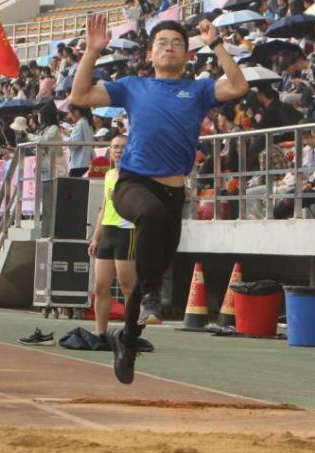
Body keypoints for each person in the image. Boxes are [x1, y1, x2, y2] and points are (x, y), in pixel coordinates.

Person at [70, 15, 248, 384]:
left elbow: (238, 85)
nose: (169, 47)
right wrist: (91, 52)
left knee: (150, 270)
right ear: (150, 54)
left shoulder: (198, 90)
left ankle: (127, 340)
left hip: (172, 193)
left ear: (187, 55)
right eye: (162, 43)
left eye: (177, 43)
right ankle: (151, 296)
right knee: (149, 219)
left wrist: (216, 45)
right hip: (132, 183)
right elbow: (80, 96)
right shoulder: (133, 87)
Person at [89, 135, 141, 338]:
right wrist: (96, 237)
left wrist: (122, 197)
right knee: (100, 286)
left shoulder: (138, 174)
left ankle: (131, 332)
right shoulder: (110, 174)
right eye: (115, 147)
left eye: (123, 147)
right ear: (110, 151)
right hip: (108, 232)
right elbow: (104, 207)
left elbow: (142, 203)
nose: (119, 151)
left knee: (127, 286)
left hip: (127, 230)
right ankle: (100, 331)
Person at [66, 105, 94, 177]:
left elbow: (74, 144)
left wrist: (63, 137)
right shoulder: (87, 122)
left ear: (77, 112)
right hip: (85, 162)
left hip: (79, 164)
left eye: (71, 112)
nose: (70, 115)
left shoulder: (81, 123)